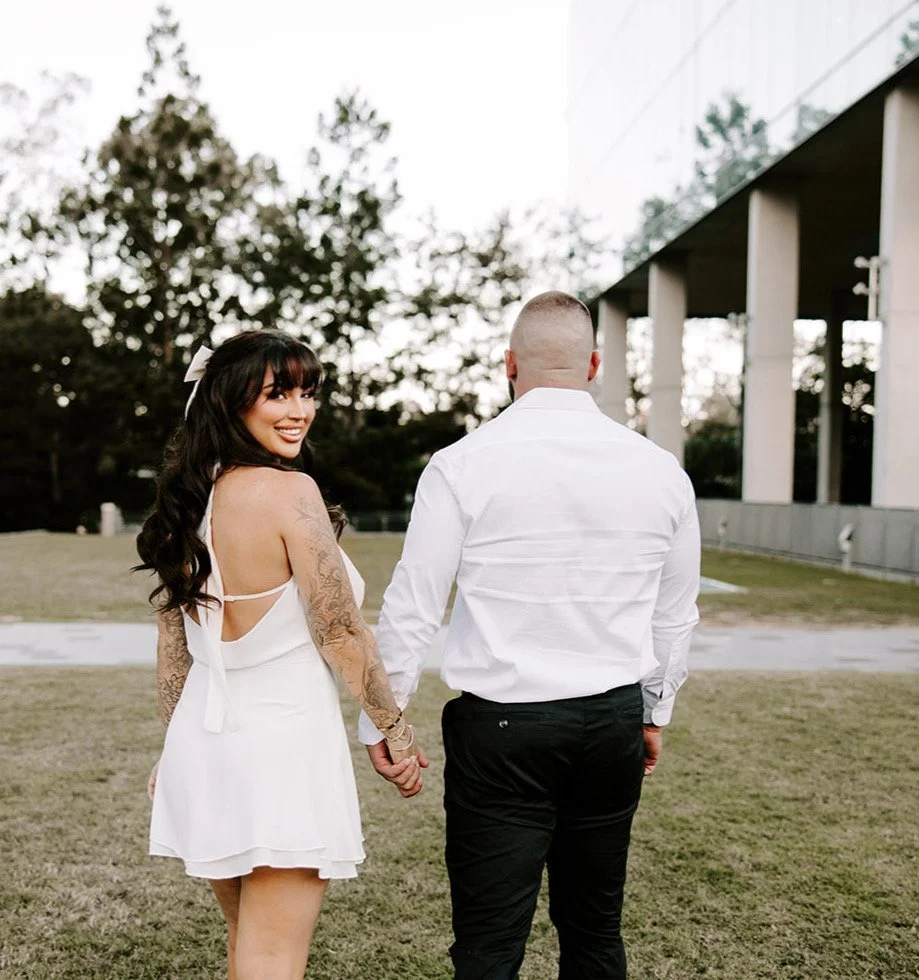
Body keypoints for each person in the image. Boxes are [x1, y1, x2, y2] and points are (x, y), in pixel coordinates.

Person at [361, 291, 701, 979]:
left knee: (489, 946)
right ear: (595, 365)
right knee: (594, 933)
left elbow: (413, 608)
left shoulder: (461, 464)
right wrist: (654, 711)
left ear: (508, 364)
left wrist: (384, 723)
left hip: (502, 732)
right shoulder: (660, 469)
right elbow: (675, 614)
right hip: (610, 720)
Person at [136, 330, 427, 980]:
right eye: (278, 394)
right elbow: (341, 634)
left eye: (307, 393)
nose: (299, 410)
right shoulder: (288, 492)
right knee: (271, 961)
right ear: (231, 402)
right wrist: (397, 734)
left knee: (249, 947)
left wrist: (172, 749)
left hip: (205, 749)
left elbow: (174, 653)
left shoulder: (186, 503)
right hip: (282, 751)